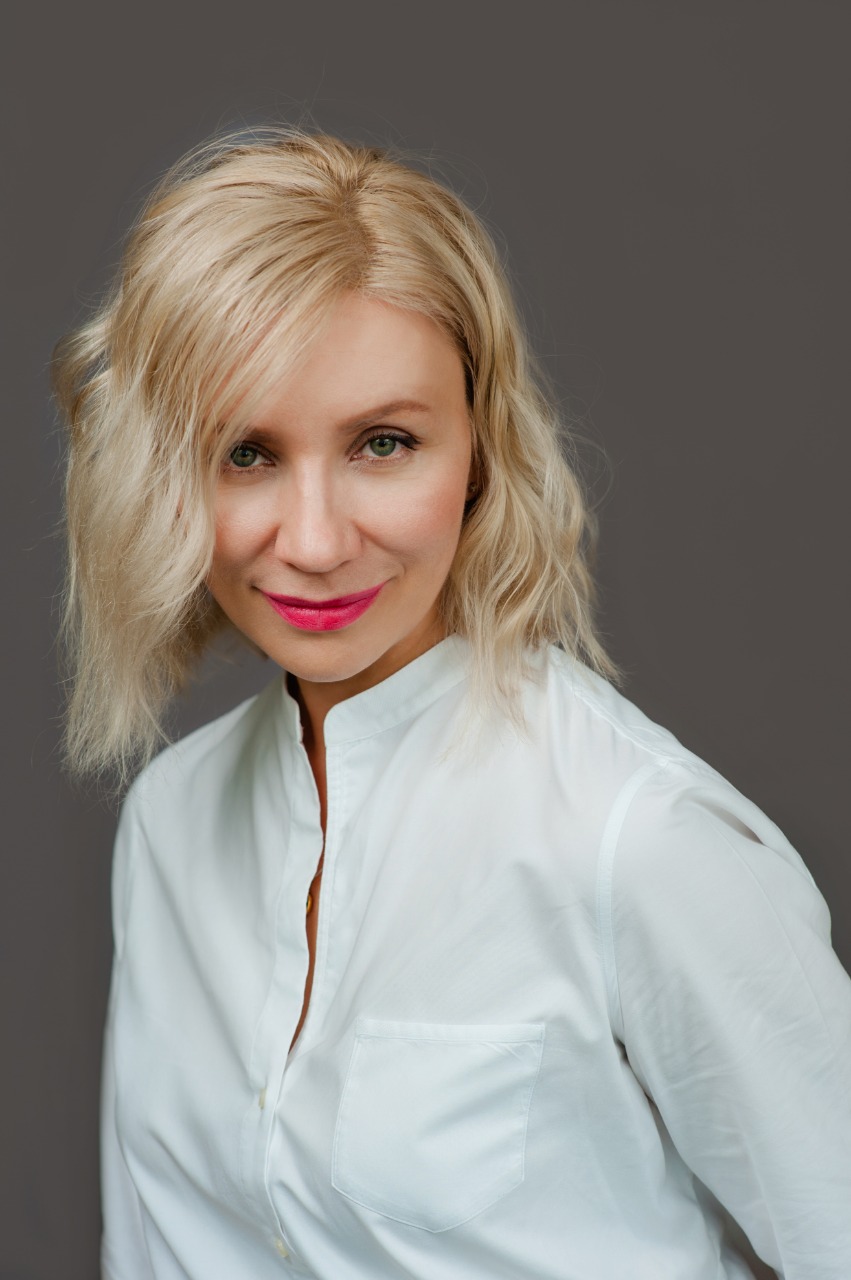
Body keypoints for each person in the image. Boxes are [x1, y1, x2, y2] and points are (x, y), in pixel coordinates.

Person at [54, 127, 851, 1280]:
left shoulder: (636, 841)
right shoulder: (169, 823)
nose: (314, 539)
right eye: (245, 452)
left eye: (383, 443)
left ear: (478, 450)